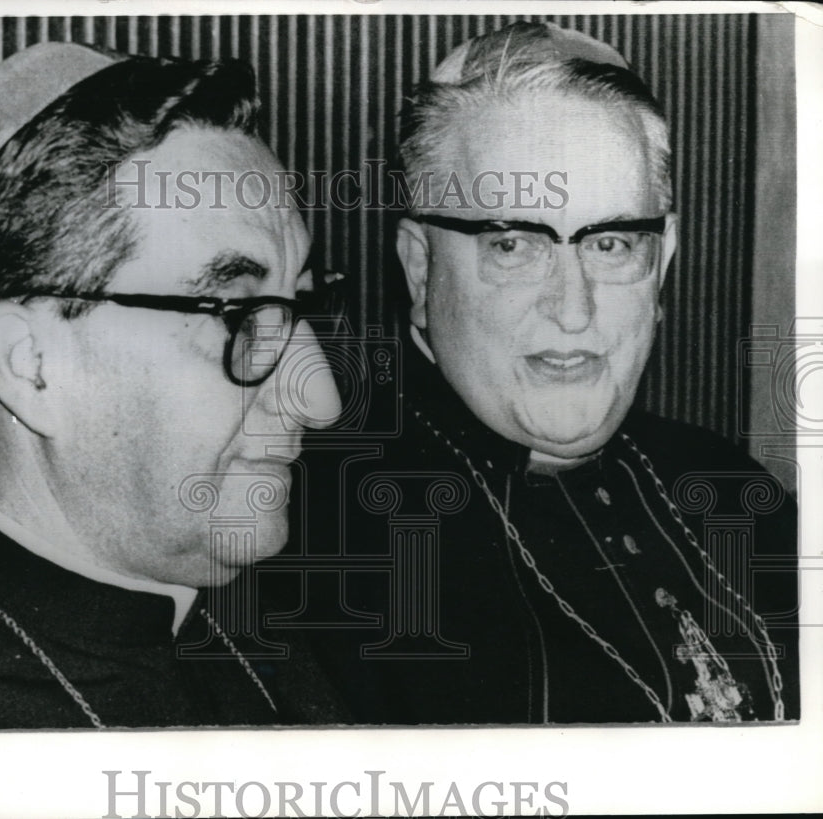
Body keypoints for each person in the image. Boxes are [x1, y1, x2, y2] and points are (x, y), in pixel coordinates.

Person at [291, 22, 799, 724]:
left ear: (664, 260)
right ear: (420, 266)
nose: (573, 308)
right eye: (514, 244)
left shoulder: (737, 495)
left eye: (613, 242)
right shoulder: (321, 545)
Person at [0, 42, 347, 729]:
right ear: (33, 365)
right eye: (236, 314)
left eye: (299, 304)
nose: (321, 398)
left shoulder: (269, 621)